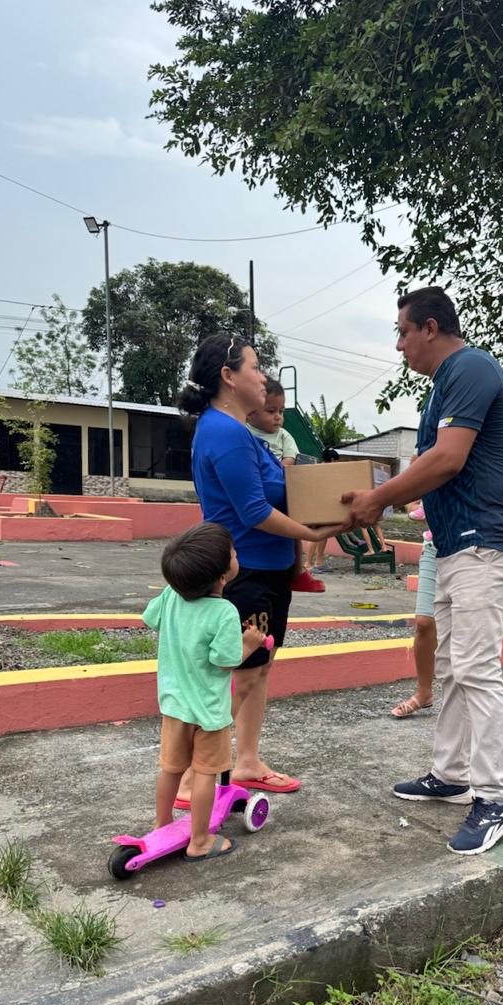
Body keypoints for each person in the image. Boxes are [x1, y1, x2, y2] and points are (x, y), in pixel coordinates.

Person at [344, 286, 503, 855]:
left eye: (403, 332)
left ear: (430, 327)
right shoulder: (443, 386)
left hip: (485, 543)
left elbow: (447, 459)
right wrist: (375, 493)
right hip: (455, 546)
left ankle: (497, 797)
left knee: (475, 668)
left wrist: (378, 500)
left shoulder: (471, 367)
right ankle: (451, 775)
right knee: (452, 667)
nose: (399, 345)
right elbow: (430, 466)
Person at [175, 332, 346, 801]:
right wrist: (313, 533)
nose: (263, 376)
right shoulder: (226, 432)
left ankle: (246, 761)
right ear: (228, 377)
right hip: (245, 570)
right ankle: (191, 775)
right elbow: (253, 510)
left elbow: (280, 491)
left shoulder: (239, 431)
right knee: (245, 672)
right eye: (254, 367)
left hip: (268, 569)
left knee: (260, 668)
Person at [143, 522, 266, 861]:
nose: (237, 555)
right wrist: (249, 643)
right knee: (205, 774)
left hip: (174, 705)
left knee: (170, 768)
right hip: (209, 712)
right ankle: (199, 841)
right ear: (223, 577)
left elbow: (150, 617)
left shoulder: (171, 595)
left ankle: (162, 822)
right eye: (234, 554)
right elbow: (224, 662)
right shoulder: (224, 611)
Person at [246, 376, 325, 593]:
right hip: (258, 488)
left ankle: (298, 570)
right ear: (251, 412)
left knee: (294, 527)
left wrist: (276, 472)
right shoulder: (244, 433)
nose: (278, 417)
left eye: (281, 412)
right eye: (271, 411)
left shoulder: (283, 435)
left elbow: (290, 459)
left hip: (281, 483)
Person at [391, 501, 436, 718]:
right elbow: (412, 507)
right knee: (424, 622)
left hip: (472, 546)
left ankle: (465, 695)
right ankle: (424, 692)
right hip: (434, 546)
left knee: (464, 627)